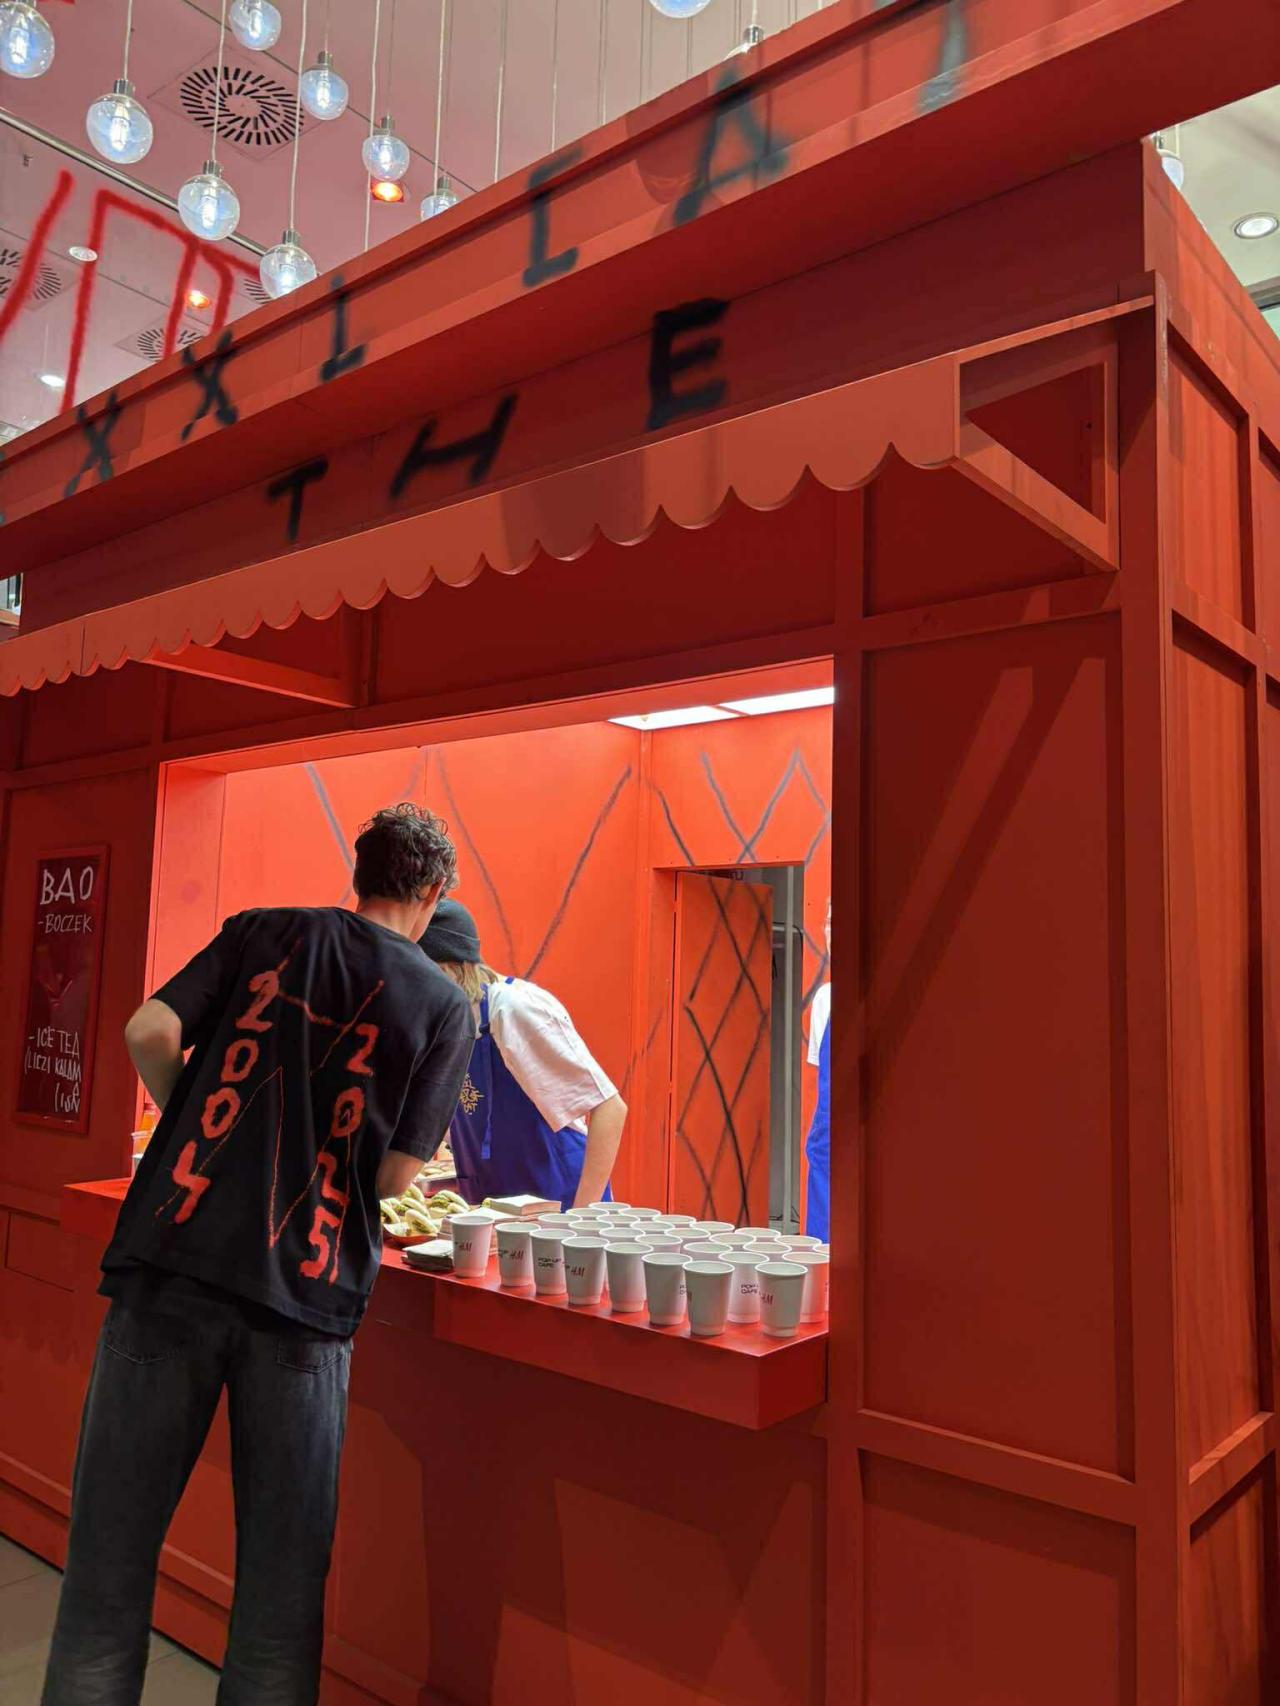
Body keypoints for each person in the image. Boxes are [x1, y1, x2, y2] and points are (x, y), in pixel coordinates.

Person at [42, 805, 475, 1706]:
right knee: (278, 1602)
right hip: (304, 1304)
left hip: (171, 1263)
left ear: (359, 872)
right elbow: (396, 1176)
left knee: (107, 1572)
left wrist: (196, 1120)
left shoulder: (262, 931)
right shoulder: (442, 1004)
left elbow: (147, 1031)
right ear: (433, 893)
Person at [420, 898, 626, 1210]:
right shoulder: (447, 1021)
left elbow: (609, 1109)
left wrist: (581, 1218)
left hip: (558, 1207)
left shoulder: (514, 1010)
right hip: (491, 1210)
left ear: (449, 968)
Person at [804, 898, 831, 1241]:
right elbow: (822, 1083)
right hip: (828, 1150)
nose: (832, 932)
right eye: (829, 922)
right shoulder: (824, 999)